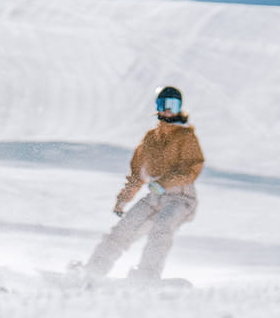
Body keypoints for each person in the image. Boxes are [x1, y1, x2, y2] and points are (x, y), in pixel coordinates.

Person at [76, 86, 205, 282]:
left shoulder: (186, 137)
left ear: (179, 108)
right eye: (164, 104)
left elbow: (191, 168)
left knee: (161, 229)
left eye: (174, 105)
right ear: (158, 107)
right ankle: (93, 271)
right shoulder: (150, 139)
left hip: (181, 198)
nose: (168, 110)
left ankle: (147, 275)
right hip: (154, 197)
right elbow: (137, 174)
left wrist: (165, 182)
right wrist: (123, 199)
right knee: (122, 230)